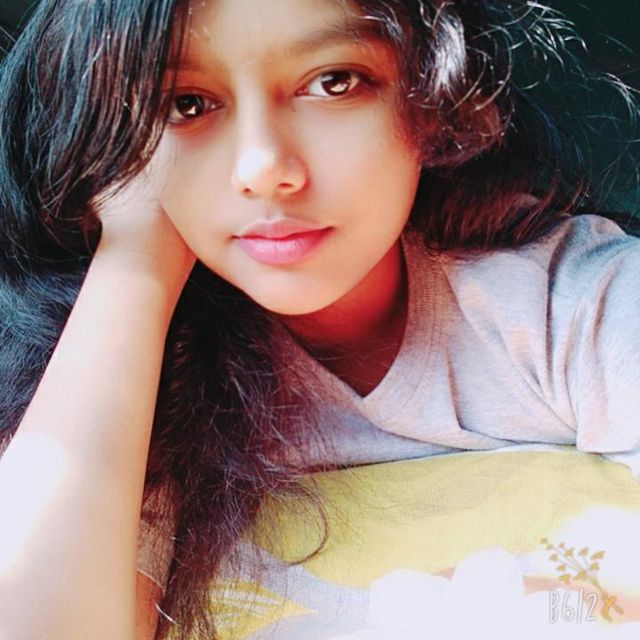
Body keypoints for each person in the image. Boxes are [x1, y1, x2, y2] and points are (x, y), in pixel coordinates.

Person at [0, 0, 638, 638]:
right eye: (185, 104)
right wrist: (135, 262)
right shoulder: (143, 373)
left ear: (431, 96)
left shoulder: (576, 305)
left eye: (334, 82)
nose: (263, 170)